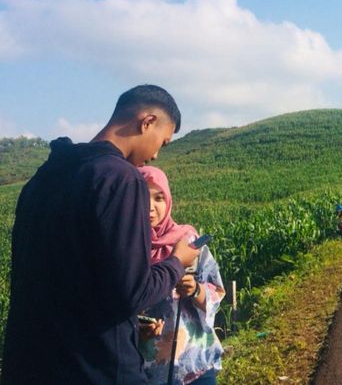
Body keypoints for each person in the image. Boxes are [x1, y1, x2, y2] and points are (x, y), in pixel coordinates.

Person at [2, 85, 200, 384]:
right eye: (163, 141)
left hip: (30, 364)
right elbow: (133, 294)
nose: (157, 154)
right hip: (95, 368)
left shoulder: (44, 178)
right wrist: (177, 262)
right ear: (146, 122)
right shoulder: (119, 177)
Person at [137, 165, 225, 385]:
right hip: (148, 371)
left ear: (168, 201)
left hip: (194, 365)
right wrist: (136, 328)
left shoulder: (188, 242)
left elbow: (216, 290)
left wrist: (196, 290)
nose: (150, 207)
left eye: (159, 198)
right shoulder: (128, 250)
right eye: (141, 197)